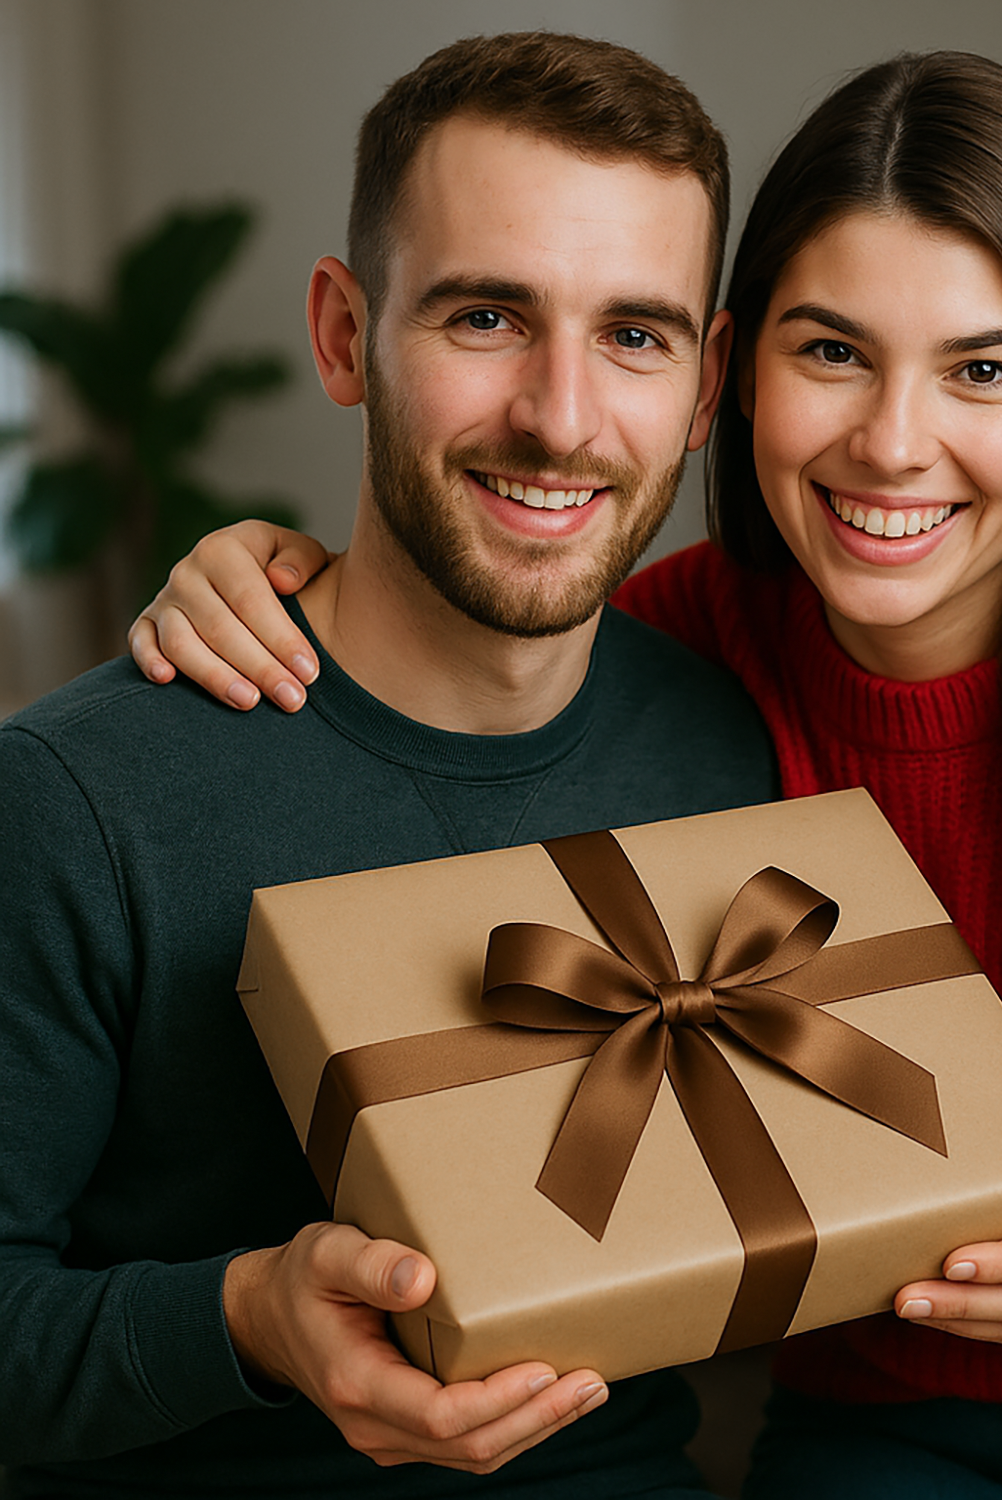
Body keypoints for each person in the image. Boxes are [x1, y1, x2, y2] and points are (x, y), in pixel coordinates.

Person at [131, 51, 1002, 1500]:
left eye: (984, 369)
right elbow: (442, 676)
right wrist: (266, 580)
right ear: (734, 375)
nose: (893, 445)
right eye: (830, 352)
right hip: (880, 1423)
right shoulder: (669, 658)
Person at [0, 31, 781, 1500]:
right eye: (487, 316)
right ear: (347, 335)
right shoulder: (75, 800)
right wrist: (243, 1319)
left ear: (705, 380)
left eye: (634, 334)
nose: (560, 416)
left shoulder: (727, 741)